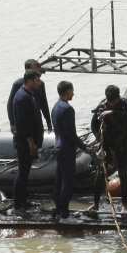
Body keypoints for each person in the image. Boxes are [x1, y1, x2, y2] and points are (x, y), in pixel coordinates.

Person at [89, 84, 127, 211]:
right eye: (109, 102)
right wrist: (99, 139)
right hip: (107, 144)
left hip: (122, 143)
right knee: (100, 173)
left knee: (123, 173)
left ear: (118, 98)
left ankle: (124, 204)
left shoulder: (126, 103)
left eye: (113, 102)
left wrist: (112, 112)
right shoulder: (102, 106)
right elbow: (93, 124)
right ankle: (96, 203)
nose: (111, 104)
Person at [10, 70, 45, 212]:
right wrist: (31, 142)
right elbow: (22, 123)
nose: (39, 83)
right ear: (29, 81)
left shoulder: (29, 95)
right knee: (22, 173)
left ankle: (23, 200)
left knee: (25, 173)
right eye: (37, 80)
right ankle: (17, 204)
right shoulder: (22, 97)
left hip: (29, 141)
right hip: (24, 142)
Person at [50, 81, 81, 220]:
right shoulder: (68, 109)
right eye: (72, 90)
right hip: (66, 149)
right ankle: (65, 214)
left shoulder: (56, 107)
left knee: (59, 181)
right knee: (69, 182)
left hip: (58, 146)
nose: (73, 93)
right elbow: (71, 135)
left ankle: (58, 210)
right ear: (67, 91)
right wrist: (84, 147)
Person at [7, 59, 52, 132]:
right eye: (35, 71)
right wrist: (12, 123)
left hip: (36, 120)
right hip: (23, 122)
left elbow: (43, 103)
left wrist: (48, 121)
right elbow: (10, 105)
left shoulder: (40, 84)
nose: (38, 73)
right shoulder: (18, 85)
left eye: (39, 71)